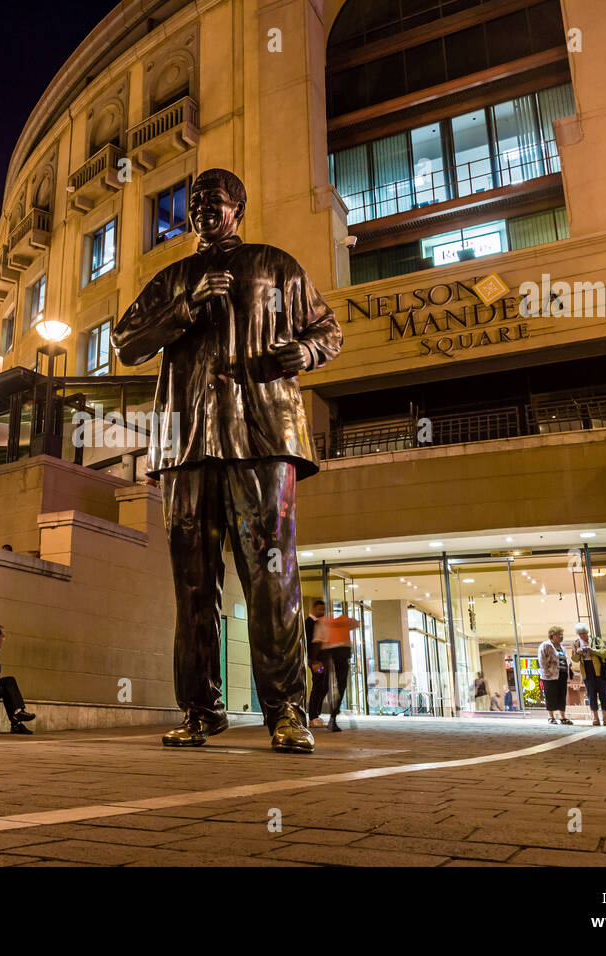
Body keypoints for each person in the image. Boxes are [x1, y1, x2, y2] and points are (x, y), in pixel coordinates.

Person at [112, 167, 343, 754]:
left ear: (237, 206)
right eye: (195, 204)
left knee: (271, 576)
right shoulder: (174, 279)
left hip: (263, 436)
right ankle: (200, 708)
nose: (203, 211)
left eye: (214, 201)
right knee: (193, 584)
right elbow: (126, 342)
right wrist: (185, 308)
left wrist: (307, 350)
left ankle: (288, 710)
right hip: (188, 443)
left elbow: (328, 331)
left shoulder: (276, 265)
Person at [307, 601, 358, 732]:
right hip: (331, 654)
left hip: (329, 654)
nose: (322, 611)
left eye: (323, 609)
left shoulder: (324, 622)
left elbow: (317, 642)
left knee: (326, 686)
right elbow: (314, 642)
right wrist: (313, 661)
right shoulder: (319, 622)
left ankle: (322, 715)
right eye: (319, 609)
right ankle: (317, 716)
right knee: (324, 685)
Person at [571, 623, 606, 726]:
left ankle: (605, 718)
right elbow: (574, 659)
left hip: (599, 670)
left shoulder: (596, 640)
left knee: (604, 694)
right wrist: (578, 653)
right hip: (586, 671)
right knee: (591, 694)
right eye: (580, 634)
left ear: (587, 632)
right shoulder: (576, 643)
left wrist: (592, 650)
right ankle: (595, 718)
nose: (582, 636)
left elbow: (605, 652)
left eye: (584, 633)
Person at [538, 625, 574, 725]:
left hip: (562, 674)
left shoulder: (562, 647)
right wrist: (547, 672)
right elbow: (542, 661)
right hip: (550, 676)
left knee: (562, 695)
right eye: (560, 635)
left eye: (562, 635)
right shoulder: (545, 645)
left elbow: (563, 659)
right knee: (551, 696)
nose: (562, 637)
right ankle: (551, 717)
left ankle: (563, 717)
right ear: (553, 636)